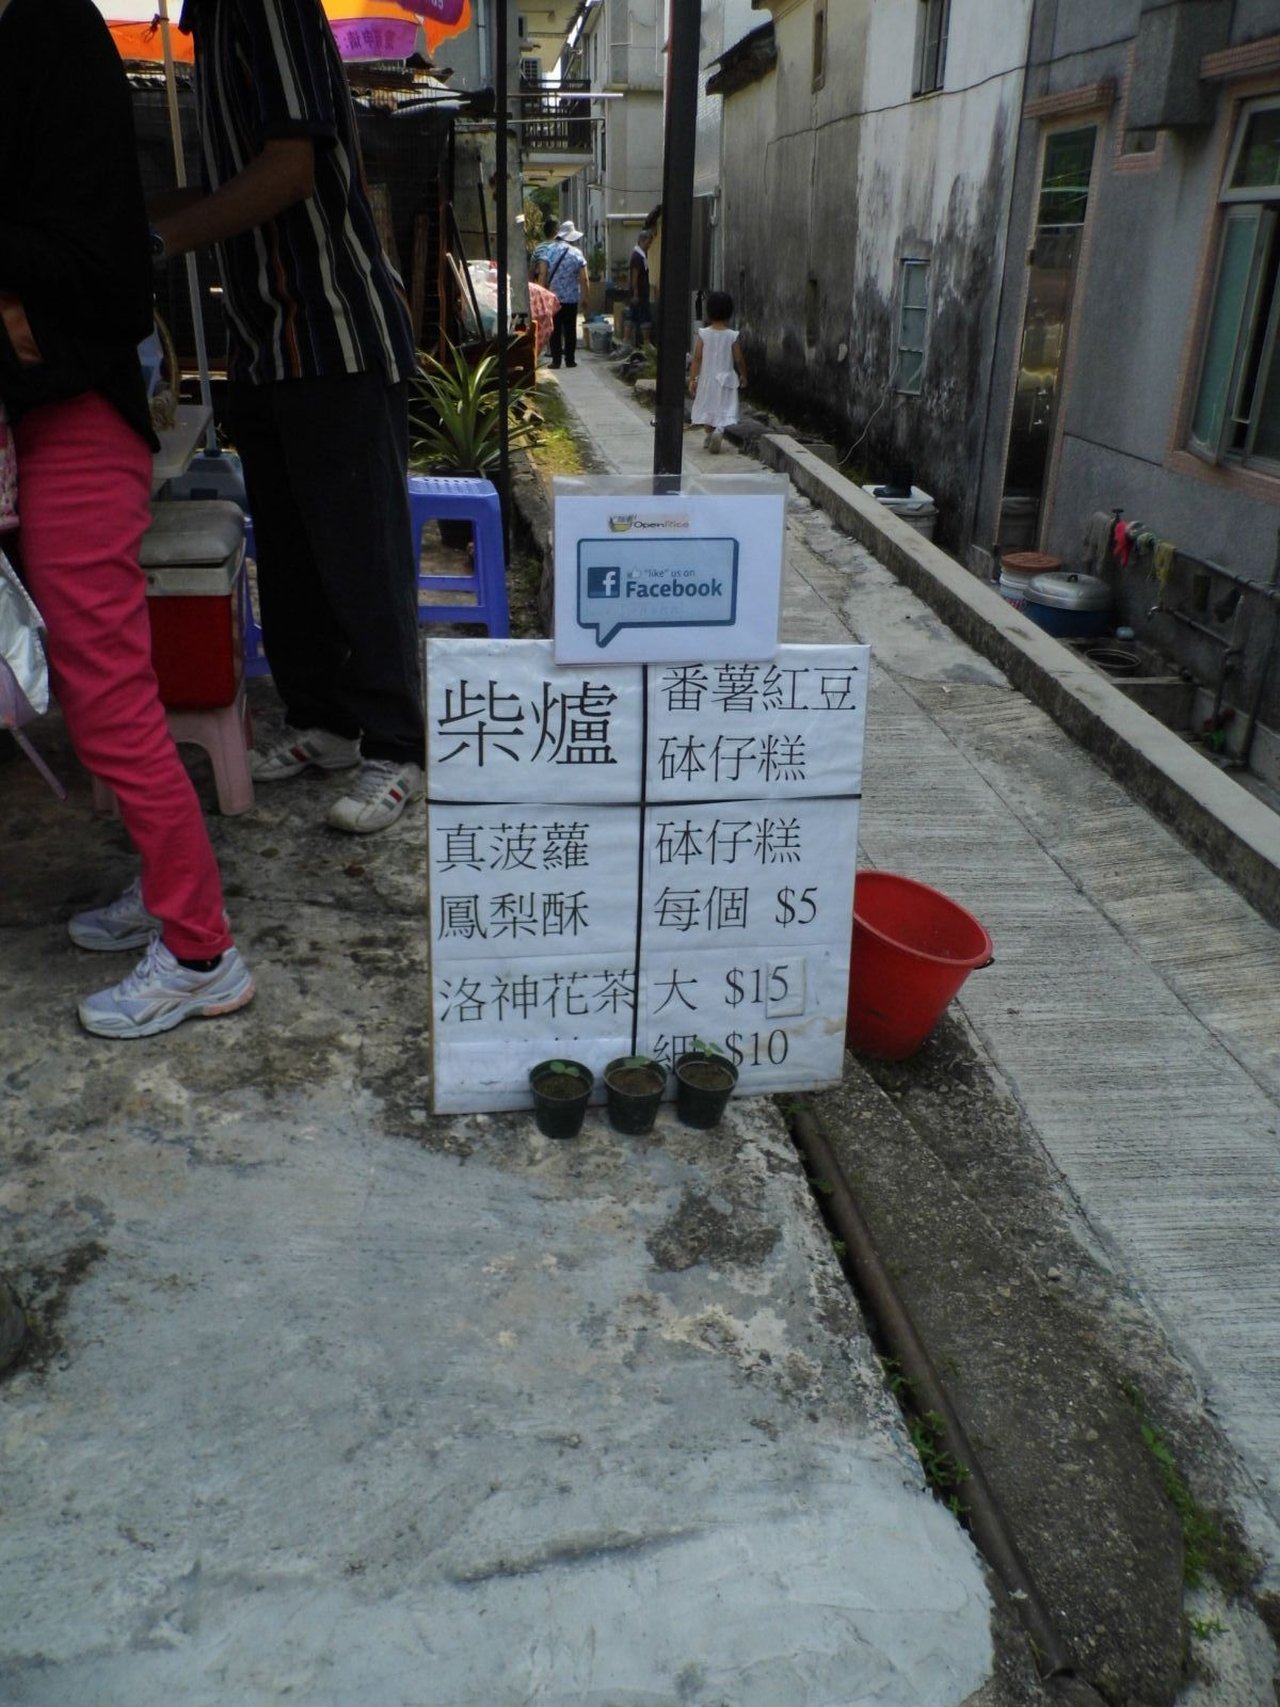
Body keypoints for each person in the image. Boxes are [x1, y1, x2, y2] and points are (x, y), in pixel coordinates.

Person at [0, 0, 254, 1039]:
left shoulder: (49, 36)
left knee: (108, 694)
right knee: (98, 686)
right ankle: (166, 890)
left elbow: (93, 259)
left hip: (76, 419)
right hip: (53, 413)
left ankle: (200, 951)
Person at [152, 0, 426, 836]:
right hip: (264, 341)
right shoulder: (208, 26)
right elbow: (231, 186)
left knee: (360, 556)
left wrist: (158, 242)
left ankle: (397, 746)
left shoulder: (261, 3)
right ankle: (325, 724)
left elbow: (289, 171)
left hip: (333, 328)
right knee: (293, 556)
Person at [688, 290, 748, 454]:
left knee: (709, 409)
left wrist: (693, 379)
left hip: (707, 380)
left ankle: (709, 434)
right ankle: (719, 430)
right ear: (729, 312)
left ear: (709, 311)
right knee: (725, 407)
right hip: (726, 379)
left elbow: (697, 358)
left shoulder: (704, 334)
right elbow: (739, 359)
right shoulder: (731, 335)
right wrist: (743, 375)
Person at [538, 221, 590, 371]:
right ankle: (570, 360)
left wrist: (541, 292)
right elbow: (584, 278)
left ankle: (556, 361)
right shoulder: (577, 253)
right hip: (571, 299)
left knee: (555, 329)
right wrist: (586, 297)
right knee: (570, 329)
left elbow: (542, 274)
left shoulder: (548, 251)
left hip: (553, 298)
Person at [628, 230, 654, 347]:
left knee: (633, 316)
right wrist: (635, 293)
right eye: (648, 243)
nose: (649, 245)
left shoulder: (642, 256)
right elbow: (634, 276)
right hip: (639, 293)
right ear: (642, 241)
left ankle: (629, 342)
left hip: (642, 292)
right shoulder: (637, 257)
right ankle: (646, 343)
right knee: (644, 317)